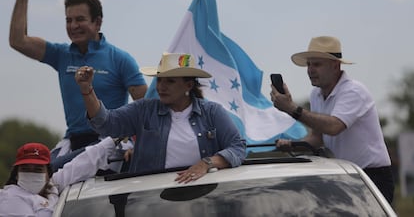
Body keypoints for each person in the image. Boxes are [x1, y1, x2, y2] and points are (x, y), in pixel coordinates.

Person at [9, 0, 148, 170]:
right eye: (69, 20)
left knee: (48, 173)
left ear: (97, 22)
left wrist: (140, 145)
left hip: (110, 141)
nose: (73, 26)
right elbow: (18, 41)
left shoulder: (120, 59)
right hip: (72, 141)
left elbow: (147, 107)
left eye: (80, 19)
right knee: (27, 174)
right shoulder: (61, 54)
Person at [75, 52, 246, 183]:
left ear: (189, 85)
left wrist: (206, 163)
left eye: (170, 81)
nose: (161, 86)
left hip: (202, 199)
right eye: (159, 80)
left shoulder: (213, 112)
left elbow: (238, 148)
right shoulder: (143, 110)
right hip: (149, 199)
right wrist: (87, 89)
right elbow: (105, 124)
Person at [270, 36, 394, 204]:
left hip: (372, 176)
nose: (310, 70)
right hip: (345, 175)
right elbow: (318, 138)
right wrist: (292, 145)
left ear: (335, 66)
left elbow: (334, 127)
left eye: (317, 64)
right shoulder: (316, 94)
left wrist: (292, 108)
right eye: (308, 64)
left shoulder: (354, 91)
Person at [0, 137, 115, 216]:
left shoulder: (51, 186)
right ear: (16, 174)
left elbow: (79, 166)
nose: (32, 174)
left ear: (48, 174)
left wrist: (114, 141)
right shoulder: (10, 197)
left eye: (38, 169)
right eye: (25, 169)